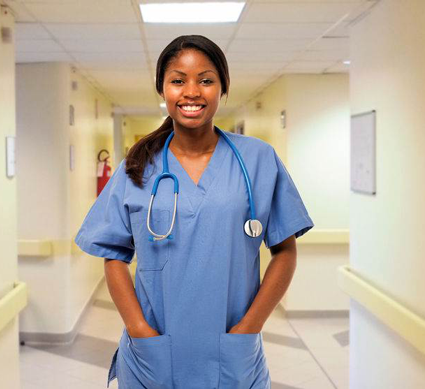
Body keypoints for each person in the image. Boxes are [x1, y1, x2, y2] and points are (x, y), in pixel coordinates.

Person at [75, 35, 314, 389]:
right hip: (153, 353)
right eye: (177, 80)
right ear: (162, 90)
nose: (191, 91)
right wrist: (138, 329)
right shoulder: (137, 167)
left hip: (231, 350)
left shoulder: (258, 160)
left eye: (205, 80)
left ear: (222, 88)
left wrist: (251, 326)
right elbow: (113, 255)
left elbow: (285, 250)